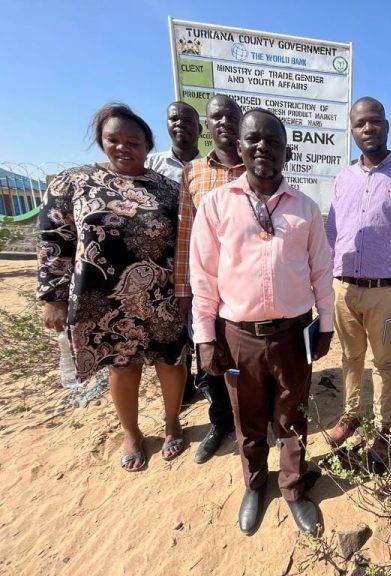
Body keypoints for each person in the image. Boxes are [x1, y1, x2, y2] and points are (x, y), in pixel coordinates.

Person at [189, 108, 334, 535]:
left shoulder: (306, 209)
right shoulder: (216, 205)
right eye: (253, 139)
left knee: (292, 416)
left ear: (287, 152)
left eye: (273, 141)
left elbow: (322, 271)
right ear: (239, 147)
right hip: (238, 338)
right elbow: (203, 277)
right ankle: (254, 484)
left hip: (293, 335)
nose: (262, 147)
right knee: (248, 418)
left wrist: (326, 325)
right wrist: (205, 337)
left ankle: (292, 487)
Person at [37, 103, 189, 471]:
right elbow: (54, 239)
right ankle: (132, 433)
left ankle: (173, 423)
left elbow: (185, 243)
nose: (123, 147)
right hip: (102, 297)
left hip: (162, 295)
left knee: (171, 361)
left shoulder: (170, 190)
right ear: (101, 141)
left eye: (133, 141)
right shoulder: (72, 183)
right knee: (122, 365)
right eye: (114, 140)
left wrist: (187, 291)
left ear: (148, 144)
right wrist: (53, 296)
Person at [325, 97, 391, 456]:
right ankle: (351, 415)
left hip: (384, 294)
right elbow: (331, 233)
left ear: (386, 125)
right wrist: (327, 286)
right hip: (343, 290)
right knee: (350, 358)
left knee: (383, 363)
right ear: (352, 131)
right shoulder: (343, 179)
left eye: (374, 121)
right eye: (360, 123)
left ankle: (382, 429)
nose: (367, 128)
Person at [175, 94, 245, 465]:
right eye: (217, 117)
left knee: (249, 360)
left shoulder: (257, 168)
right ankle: (220, 422)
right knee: (211, 360)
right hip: (206, 289)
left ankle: (254, 420)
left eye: (231, 116)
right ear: (207, 125)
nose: (224, 122)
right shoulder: (194, 172)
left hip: (247, 291)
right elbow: (185, 234)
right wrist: (182, 290)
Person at [146, 100, 202, 404]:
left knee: (200, 323)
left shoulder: (209, 168)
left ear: (200, 128)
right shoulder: (151, 166)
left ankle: (205, 384)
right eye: (174, 119)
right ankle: (182, 391)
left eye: (188, 120)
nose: (180, 125)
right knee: (172, 328)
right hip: (162, 263)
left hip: (201, 261)